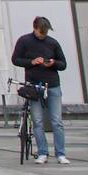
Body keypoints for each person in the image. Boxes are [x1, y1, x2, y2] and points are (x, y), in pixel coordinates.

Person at [11, 16, 69, 165]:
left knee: (57, 121)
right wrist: (31, 62)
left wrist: (54, 63)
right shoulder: (24, 41)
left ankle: (60, 154)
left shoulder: (53, 43)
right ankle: (42, 152)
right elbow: (15, 59)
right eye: (40, 33)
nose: (43, 35)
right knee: (37, 121)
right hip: (34, 86)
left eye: (45, 33)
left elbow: (63, 64)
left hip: (53, 84)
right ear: (34, 28)